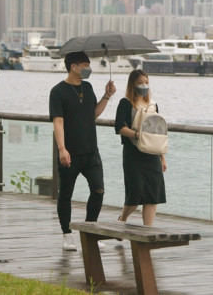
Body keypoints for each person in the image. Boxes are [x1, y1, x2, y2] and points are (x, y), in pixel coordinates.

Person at [49, 51, 116, 251]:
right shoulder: (58, 91)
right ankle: (67, 235)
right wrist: (62, 149)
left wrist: (107, 95)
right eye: (85, 65)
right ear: (74, 66)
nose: (88, 69)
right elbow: (58, 122)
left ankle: (90, 230)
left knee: (99, 189)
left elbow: (93, 114)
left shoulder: (88, 87)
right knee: (66, 194)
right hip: (70, 152)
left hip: (91, 151)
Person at [114, 69, 167, 226]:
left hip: (152, 153)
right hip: (133, 153)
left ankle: (147, 231)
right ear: (132, 84)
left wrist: (162, 157)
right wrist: (136, 135)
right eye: (140, 83)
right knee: (135, 194)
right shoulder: (125, 103)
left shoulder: (153, 105)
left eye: (146, 82)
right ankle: (123, 219)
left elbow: (158, 131)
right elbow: (119, 127)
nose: (144, 85)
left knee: (152, 195)